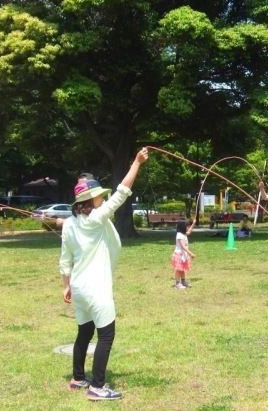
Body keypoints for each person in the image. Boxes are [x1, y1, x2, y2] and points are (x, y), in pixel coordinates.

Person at [59, 147, 149, 401]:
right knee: (106, 335)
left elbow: (65, 262)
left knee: (84, 333)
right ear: (90, 200)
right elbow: (122, 192)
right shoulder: (97, 218)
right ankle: (97, 386)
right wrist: (136, 163)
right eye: (98, 195)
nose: (101, 198)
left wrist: (65, 286)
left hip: (78, 288)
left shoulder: (69, 224)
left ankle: (78, 378)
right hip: (96, 288)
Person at [171, 219, 196, 289]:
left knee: (182, 269)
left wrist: (193, 224)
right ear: (182, 227)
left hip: (183, 255)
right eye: (187, 226)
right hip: (179, 255)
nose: (188, 227)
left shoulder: (183, 233)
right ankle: (177, 284)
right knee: (178, 270)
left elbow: (189, 232)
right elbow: (183, 246)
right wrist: (191, 253)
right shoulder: (179, 235)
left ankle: (183, 281)